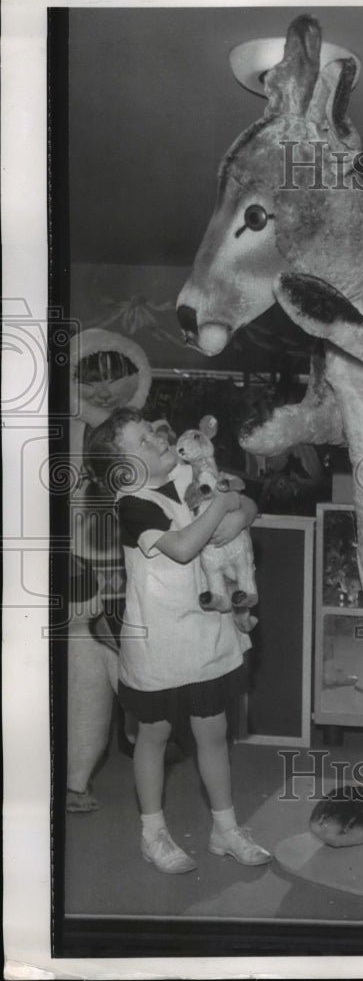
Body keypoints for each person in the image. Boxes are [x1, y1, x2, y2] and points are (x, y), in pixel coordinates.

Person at [85, 407, 271, 873]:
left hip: (207, 632)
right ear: (126, 470)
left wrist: (239, 511)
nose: (158, 437)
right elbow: (185, 547)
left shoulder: (193, 470)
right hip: (161, 643)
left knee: (213, 732)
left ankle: (225, 830)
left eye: (152, 430)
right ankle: (154, 834)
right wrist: (224, 510)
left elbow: (249, 503)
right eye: (144, 442)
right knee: (155, 735)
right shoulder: (133, 504)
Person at [67, 329, 153, 812]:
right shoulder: (63, 429)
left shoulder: (144, 433)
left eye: (112, 377)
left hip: (135, 582)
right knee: (85, 689)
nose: (100, 389)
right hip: (80, 580)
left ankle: (150, 768)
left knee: (139, 686)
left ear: (136, 377)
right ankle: (76, 781)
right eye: (87, 376)